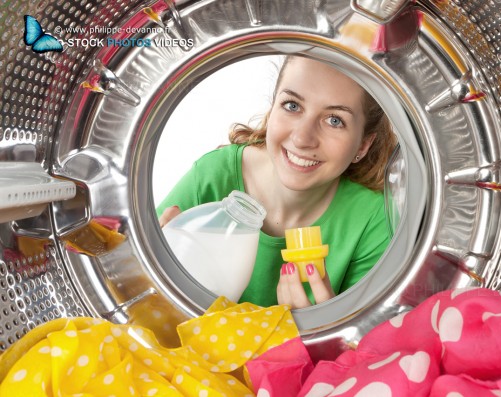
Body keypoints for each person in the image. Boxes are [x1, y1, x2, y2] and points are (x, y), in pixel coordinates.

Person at [157, 56, 398, 309]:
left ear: (362, 144)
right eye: (292, 106)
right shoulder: (213, 175)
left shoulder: (374, 220)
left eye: (334, 120)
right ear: (272, 109)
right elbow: (133, 289)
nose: (303, 138)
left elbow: (365, 343)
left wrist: (325, 329)